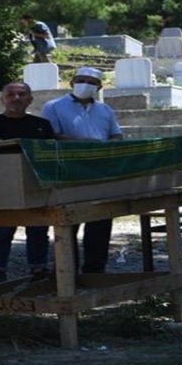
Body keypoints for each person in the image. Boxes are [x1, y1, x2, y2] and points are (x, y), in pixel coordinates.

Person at [41, 67, 123, 274]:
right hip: (70, 170)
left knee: (100, 220)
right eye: (81, 80)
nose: (85, 85)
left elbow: (116, 134)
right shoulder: (53, 106)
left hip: (100, 171)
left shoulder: (105, 110)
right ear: (72, 82)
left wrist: (107, 146)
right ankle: (67, 268)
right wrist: (84, 143)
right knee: (68, 221)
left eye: (91, 82)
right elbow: (53, 135)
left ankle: (95, 268)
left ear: (99, 87)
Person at [0, 82, 54, 283]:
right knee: (2, 230)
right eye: (11, 94)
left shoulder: (42, 125)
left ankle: (38, 269)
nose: (16, 98)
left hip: (36, 184)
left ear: (30, 100)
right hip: (3, 186)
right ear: (2, 99)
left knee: (39, 229)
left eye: (22, 94)